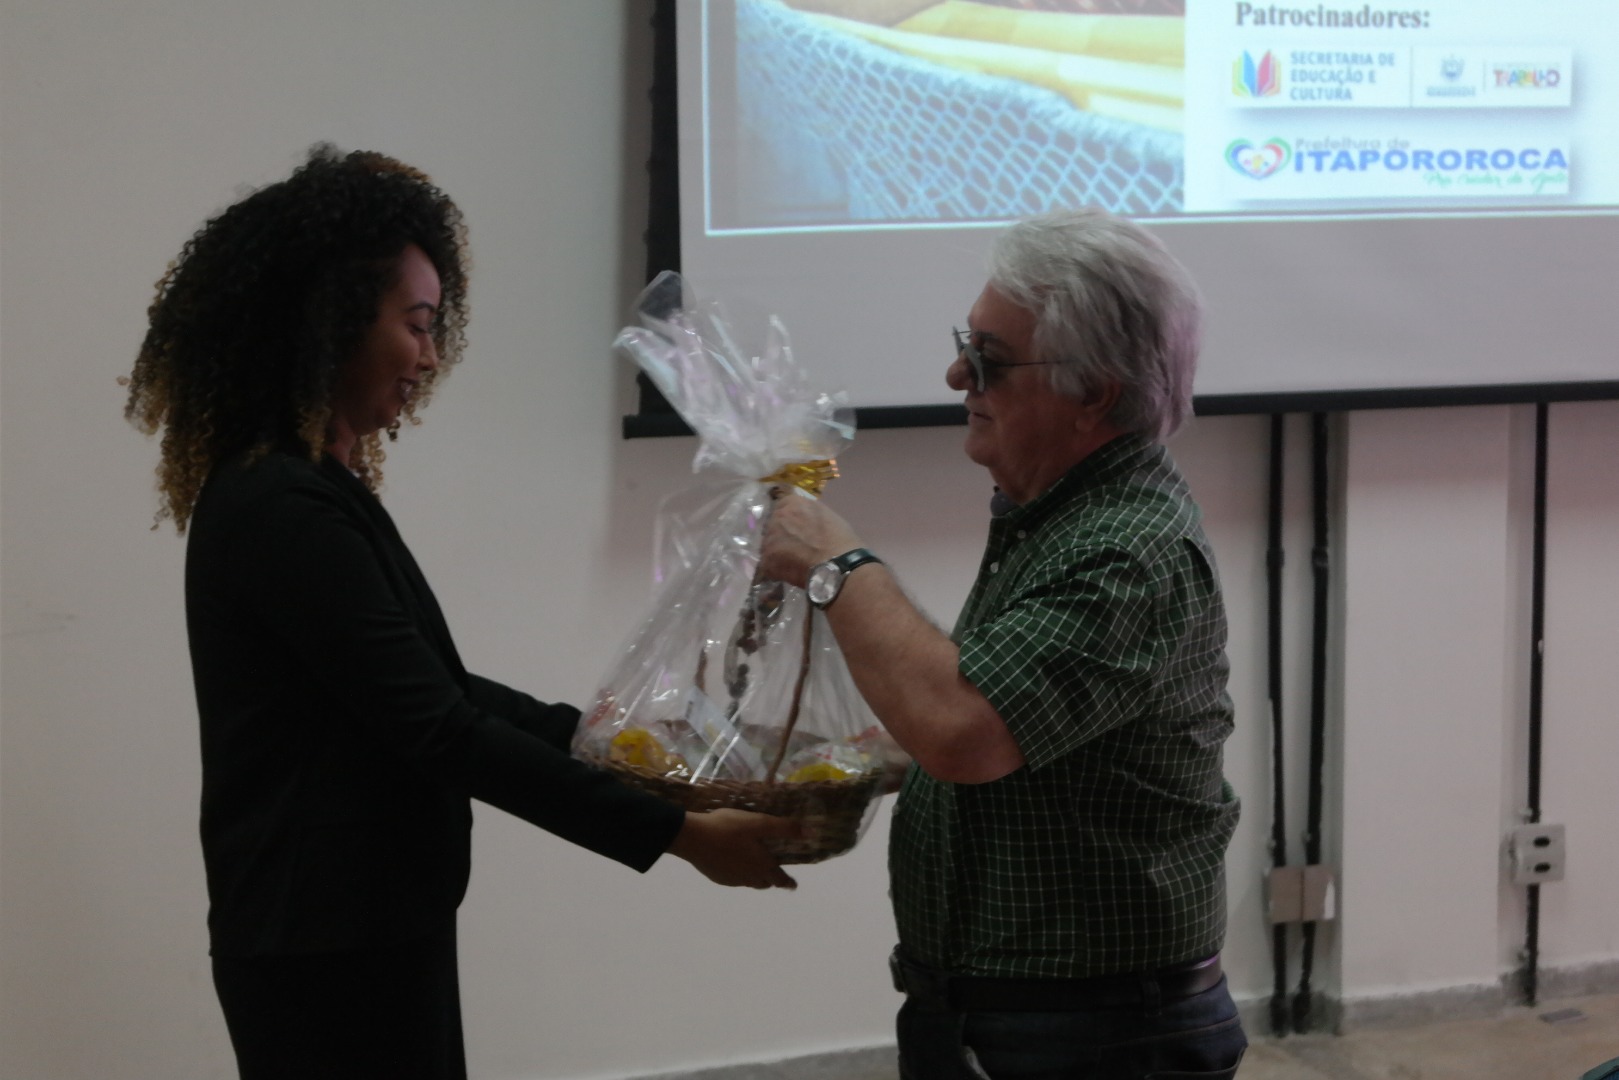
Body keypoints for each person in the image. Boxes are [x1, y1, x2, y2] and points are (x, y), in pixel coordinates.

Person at [123, 144, 797, 1080]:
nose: (431, 356)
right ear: (329, 320)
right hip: (321, 947)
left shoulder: (308, 489)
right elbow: (435, 726)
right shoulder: (279, 506)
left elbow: (430, 690)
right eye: (416, 325)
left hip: (359, 924)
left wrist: (616, 752)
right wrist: (673, 834)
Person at [759, 207, 1246, 1079]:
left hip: (1090, 1036)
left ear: (1093, 392)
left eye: (988, 358)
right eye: (965, 346)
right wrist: (861, 760)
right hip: (1022, 1016)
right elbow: (1023, 730)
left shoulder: (1124, 549)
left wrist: (836, 564)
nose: (956, 375)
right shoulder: (1055, 518)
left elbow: (963, 730)